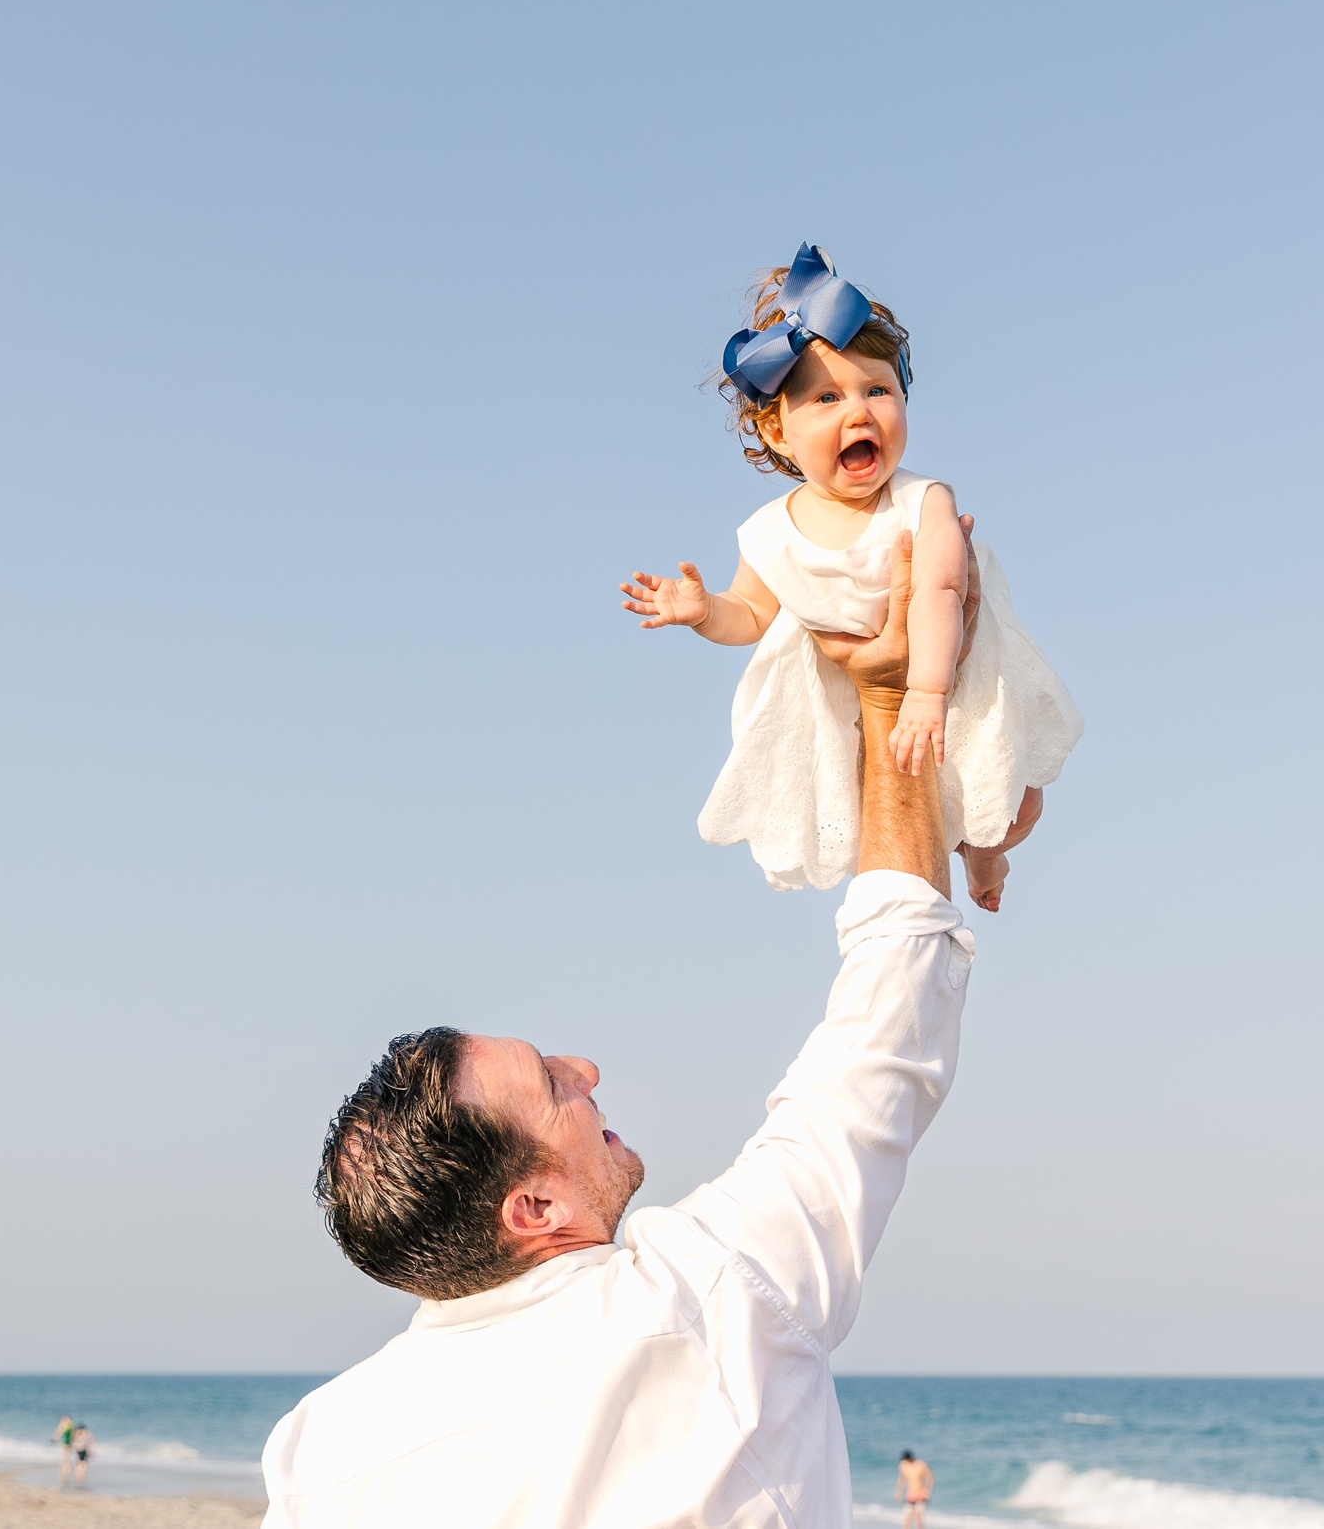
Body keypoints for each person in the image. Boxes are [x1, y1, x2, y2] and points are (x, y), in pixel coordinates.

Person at [265, 530, 978, 1526]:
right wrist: (890, 695)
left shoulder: (319, 1449)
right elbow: (885, 1030)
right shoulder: (702, 1297)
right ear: (534, 1206)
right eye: (553, 1084)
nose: (586, 1066)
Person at [622, 244, 1082, 911]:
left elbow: (941, 591)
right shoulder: (769, 530)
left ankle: (986, 863)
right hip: (846, 702)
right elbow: (750, 613)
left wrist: (925, 691)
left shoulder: (925, 502)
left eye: (878, 390)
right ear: (778, 431)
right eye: (827, 397)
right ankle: (944, 868)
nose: (858, 411)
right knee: (874, 820)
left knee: (1012, 803)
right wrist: (701, 611)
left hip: (950, 675)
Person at [897, 1450, 934, 1528]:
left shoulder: (920, 1464)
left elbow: (930, 1478)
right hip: (910, 1495)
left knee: (919, 1518)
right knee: (906, 1519)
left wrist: (926, 1491)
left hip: (920, 1494)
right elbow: (901, 1479)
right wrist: (898, 1492)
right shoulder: (903, 1465)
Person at [54, 1416, 82, 1487]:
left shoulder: (66, 1425)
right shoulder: (72, 1425)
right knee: (67, 1455)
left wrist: (54, 1439)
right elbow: (75, 1434)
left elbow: (59, 1432)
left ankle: (66, 1468)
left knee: (65, 1456)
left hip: (66, 1442)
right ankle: (68, 1467)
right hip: (71, 1442)